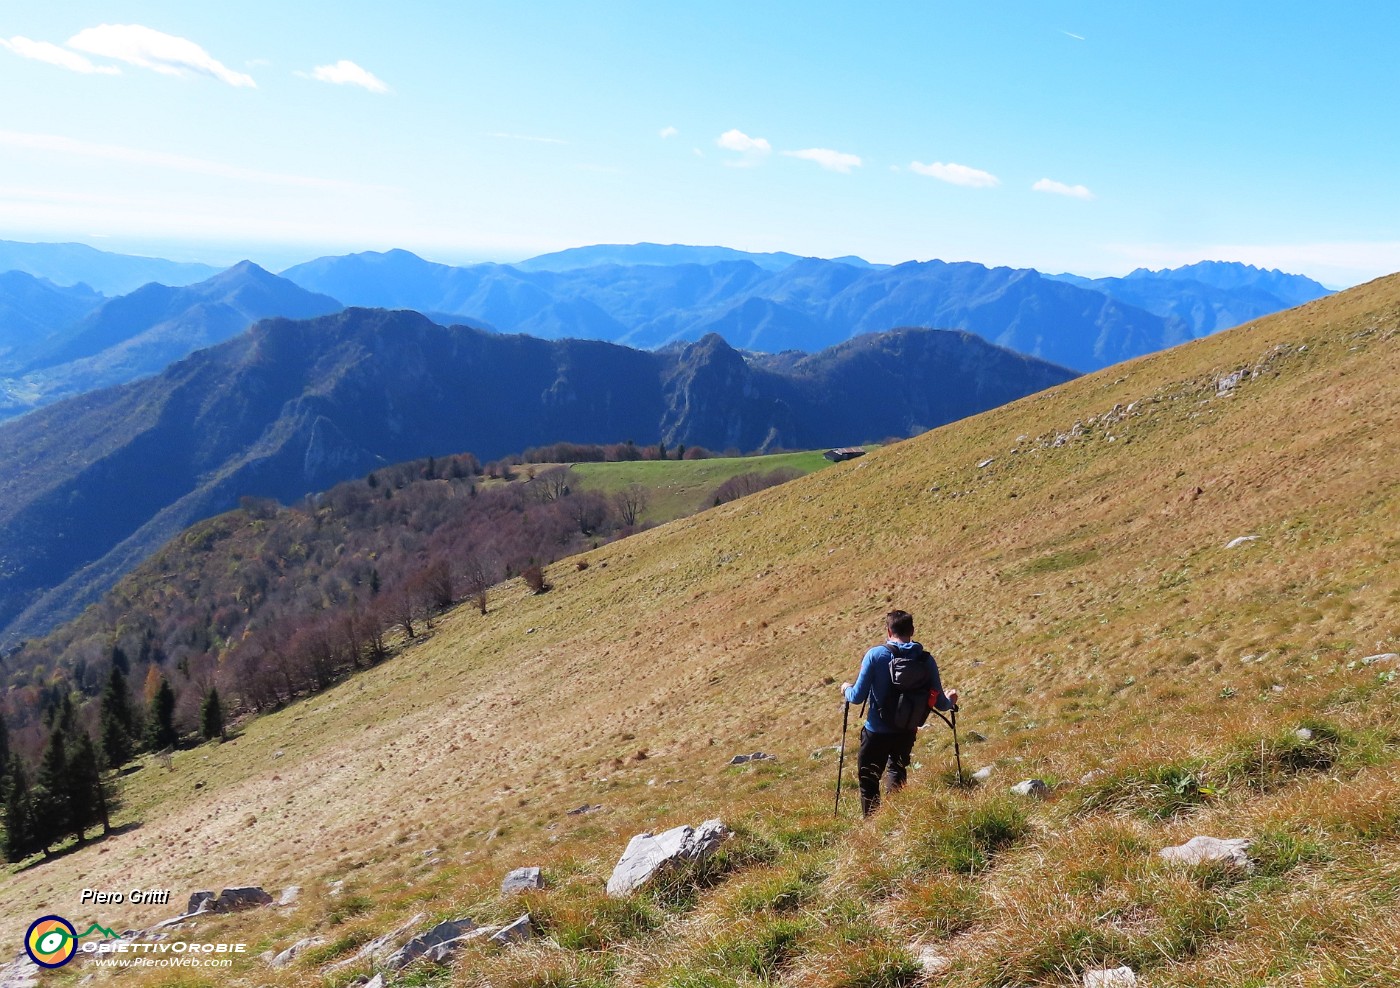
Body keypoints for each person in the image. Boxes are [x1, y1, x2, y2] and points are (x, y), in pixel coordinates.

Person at [841, 609, 958, 816]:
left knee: (868, 779)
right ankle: (895, 819)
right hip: (907, 730)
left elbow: (857, 696)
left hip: (876, 731)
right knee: (896, 769)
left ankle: (872, 825)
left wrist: (845, 689)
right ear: (912, 630)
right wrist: (951, 701)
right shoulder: (925, 659)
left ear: (888, 631)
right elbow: (940, 702)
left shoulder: (875, 655)